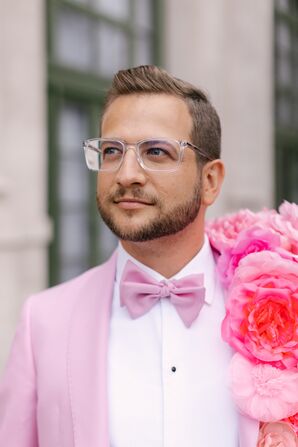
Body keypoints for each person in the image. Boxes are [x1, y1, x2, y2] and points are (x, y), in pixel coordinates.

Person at [0, 65, 259, 446]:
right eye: (111, 151)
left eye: (156, 152)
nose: (126, 174)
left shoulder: (279, 315)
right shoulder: (43, 321)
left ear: (210, 181)